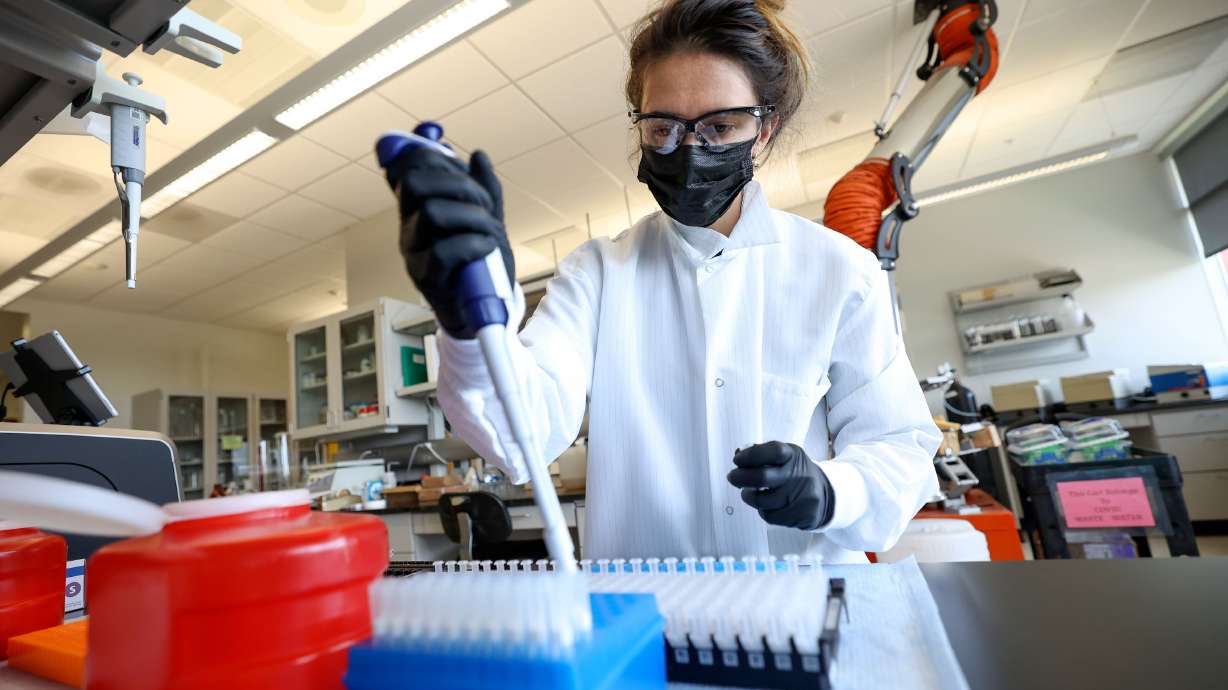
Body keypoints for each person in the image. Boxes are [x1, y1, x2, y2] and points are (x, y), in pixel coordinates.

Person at [385, 0, 940, 563]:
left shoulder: (840, 270)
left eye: (721, 126)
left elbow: (899, 445)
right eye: (663, 128)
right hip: (645, 620)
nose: (690, 149)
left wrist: (830, 492)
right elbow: (521, 435)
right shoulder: (598, 272)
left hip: (803, 614)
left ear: (765, 130)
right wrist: (467, 320)